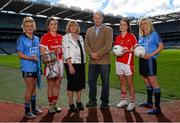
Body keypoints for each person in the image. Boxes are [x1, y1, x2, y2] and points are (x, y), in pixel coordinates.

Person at [85, 11, 113, 108]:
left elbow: (108, 45)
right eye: (95, 18)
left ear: (102, 18)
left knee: (105, 82)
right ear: (93, 19)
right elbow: (86, 45)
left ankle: (105, 102)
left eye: (99, 18)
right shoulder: (89, 30)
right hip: (92, 61)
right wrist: (92, 54)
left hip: (104, 61)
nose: (97, 20)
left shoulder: (108, 29)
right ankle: (92, 100)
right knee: (91, 82)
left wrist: (97, 54)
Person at [16, 17, 43, 119]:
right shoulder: (21, 39)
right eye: (27, 26)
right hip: (27, 68)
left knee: (34, 88)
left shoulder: (36, 39)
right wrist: (31, 58)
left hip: (36, 67)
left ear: (34, 26)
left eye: (31, 26)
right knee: (30, 88)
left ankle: (34, 108)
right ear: (24, 27)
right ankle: (27, 111)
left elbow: (38, 53)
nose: (30, 28)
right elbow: (20, 54)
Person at [138, 17, 164, 114]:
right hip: (142, 61)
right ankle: (149, 102)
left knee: (153, 83)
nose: (143, 25)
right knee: (147, 82)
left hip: (150, 61)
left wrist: (150, 55)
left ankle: (157, 107)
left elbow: (161, 46)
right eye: (141, 24)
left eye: (144, 23)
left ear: (149, 24)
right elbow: (138, 49)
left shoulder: (154, 34)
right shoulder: (141, 36)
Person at [40, 17, 63, 114]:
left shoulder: (61, 37)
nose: (54, 26)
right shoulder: (45, 37)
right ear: (48, 26)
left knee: (57, 84)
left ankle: (55, 103)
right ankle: (50, 106)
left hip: (60, 63)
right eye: (51, 24)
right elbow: (42, 52)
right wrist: (52, 52)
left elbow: (65, 51)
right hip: (50, 63)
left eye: (55, 24)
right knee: (51, 85)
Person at [62, 20, 86, 112]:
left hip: (81, 63)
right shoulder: (66, 37)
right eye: (71, 25)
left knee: (80, 84)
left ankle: (79, 102)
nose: (73, 27)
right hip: (71, 63)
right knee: (72, 84)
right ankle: (71, 104)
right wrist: (70, 65)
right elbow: (65, 51)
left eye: (75, 25)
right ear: (69, 27)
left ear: (77, 27)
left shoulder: (80, 37)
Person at [114, 19, 137, 111]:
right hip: (118, 62)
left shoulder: (131, 36)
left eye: (124, 25)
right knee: (122, 82)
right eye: (121, 25)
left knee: (130, 83)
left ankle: (132, 102)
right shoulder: (118, 37)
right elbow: (115, 49)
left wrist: (127, 50)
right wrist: (116, 52)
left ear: (127, 26)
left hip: (128, 63)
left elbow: (136, 48)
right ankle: (124, 100)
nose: (122, 26)